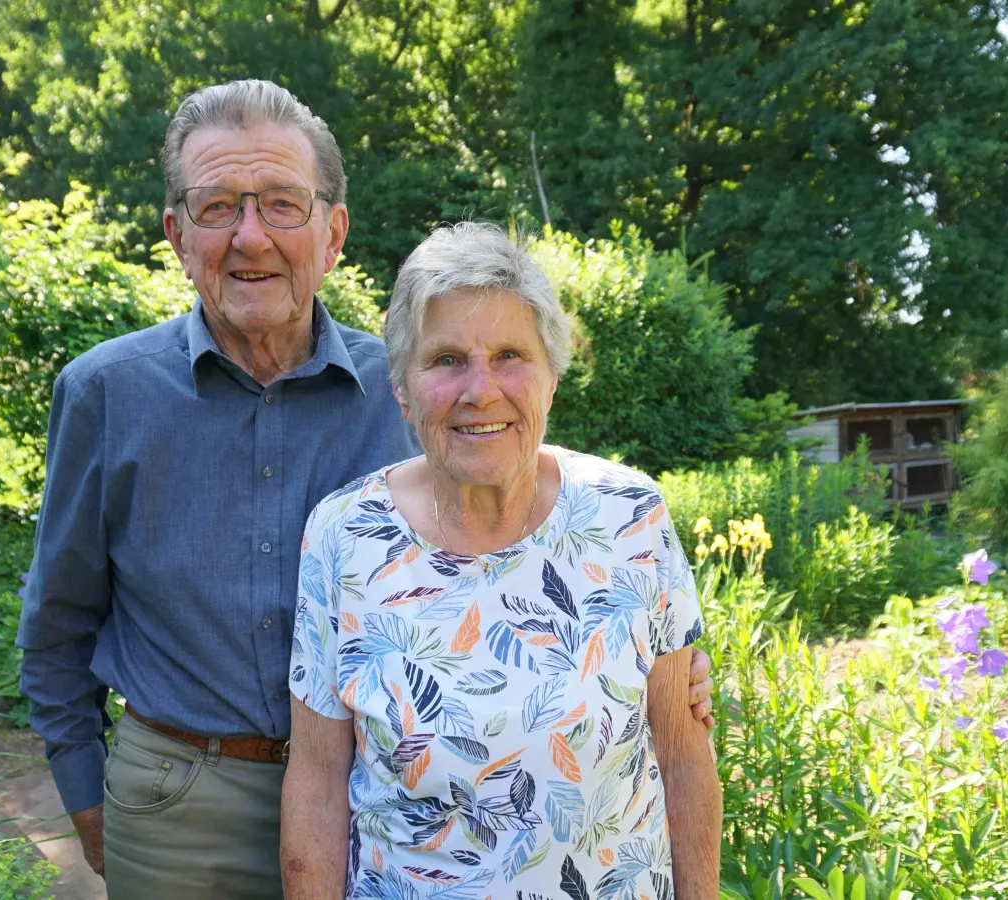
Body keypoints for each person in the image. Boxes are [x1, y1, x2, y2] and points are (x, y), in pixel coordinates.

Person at [16, 80, 718, 898]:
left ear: (333, 233)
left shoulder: (419, 384)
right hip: (185, 799)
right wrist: (86, 793)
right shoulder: (106, 394)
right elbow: (58, 619)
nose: (250, 236)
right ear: (176, 233)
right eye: (217, 207)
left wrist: (644, 672)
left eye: (282, 204)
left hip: (388, 794)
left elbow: (517, 553)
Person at [281, 222, 722, 899]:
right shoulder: (344, 535)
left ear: (551, 377)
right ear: (402, 388)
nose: (480, 390)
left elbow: (684, 760)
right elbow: (316, 785)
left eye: (510, 355)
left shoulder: (630, 517)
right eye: (446, 360)